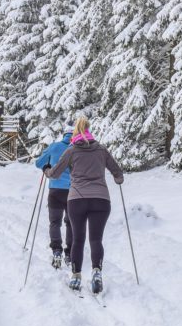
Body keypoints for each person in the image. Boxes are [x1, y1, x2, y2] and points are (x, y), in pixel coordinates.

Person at [43, 116, 124, 294]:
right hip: (101, 200)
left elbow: (55, 173)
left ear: (76, 132)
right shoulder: (101, 150)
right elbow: (118, 173)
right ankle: (96, 272)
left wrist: (46, 170)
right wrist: (118, 179)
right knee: (96, 240)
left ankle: (76, 276)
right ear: (89, 130)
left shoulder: (71, 151)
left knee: (78, 239)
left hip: (77, 199)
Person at [34, 121, 74, 268]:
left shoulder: (55, 146)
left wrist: (47, 166)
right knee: (71, 223)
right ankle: (69, 253)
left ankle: (57, 251)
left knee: (55, 222)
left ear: (64, 135)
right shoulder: (78, 148)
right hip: (73, 192)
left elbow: (38, 163)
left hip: (55, 191)